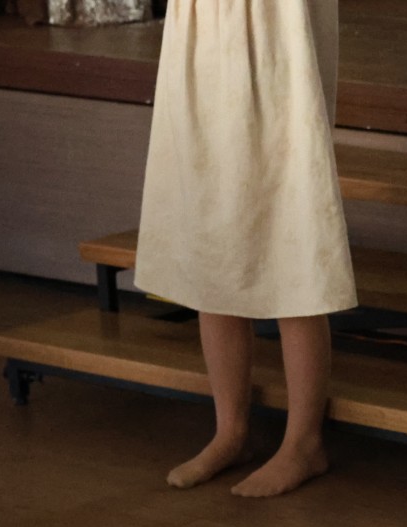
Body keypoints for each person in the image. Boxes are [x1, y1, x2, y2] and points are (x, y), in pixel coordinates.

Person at [134, 0, 356, 497]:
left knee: (289, 229)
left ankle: (303, 442)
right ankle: (230, 430)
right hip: (204, 22)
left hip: (278, 22)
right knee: (212, 222)